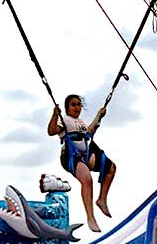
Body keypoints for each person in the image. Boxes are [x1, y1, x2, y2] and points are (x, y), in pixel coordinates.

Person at [47, 94, 117, 233]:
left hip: (85, 154)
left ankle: (102, 199)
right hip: (70, 156)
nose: (77, 107)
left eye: (79, 105)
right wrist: (55, 115)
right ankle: (90, 217)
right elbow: (51, 131)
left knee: (111, 168)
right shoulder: (64, 120)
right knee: (87, 180)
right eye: (73, 105)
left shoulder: (81, 122)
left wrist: (98, 116)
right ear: (67, 107)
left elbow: (89, 131)